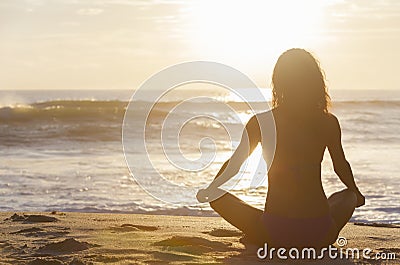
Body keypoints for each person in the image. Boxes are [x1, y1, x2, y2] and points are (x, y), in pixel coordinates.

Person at [196, 48, 365, 249]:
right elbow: (340, 165)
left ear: (279, 83)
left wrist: (211, 189)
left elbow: (235, 165)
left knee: (217, 198)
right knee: (347, 196)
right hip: (321, 232)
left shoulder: (261, 122)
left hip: (274, 232)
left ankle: (258, 235)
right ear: (314, 82)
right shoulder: (327, 122)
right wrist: (356, 193)